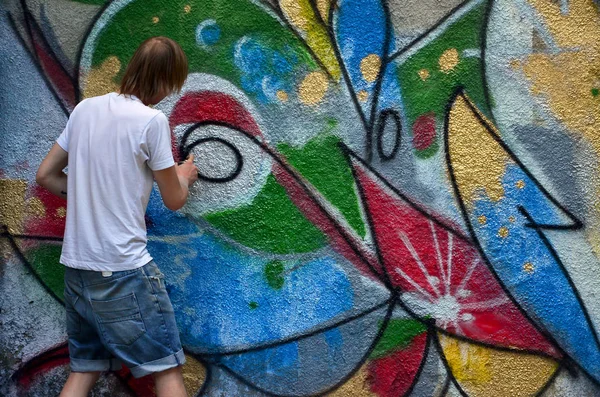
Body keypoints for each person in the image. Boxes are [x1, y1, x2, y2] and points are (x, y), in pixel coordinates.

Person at [35, 36, 197, 397]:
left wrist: (87, 194)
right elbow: (173, 199)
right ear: (167, 80)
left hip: (78, 269)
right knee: (166, 369)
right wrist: (184, 177)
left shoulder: (84, 110)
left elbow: (46, 174)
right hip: (122, 271)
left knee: (85, 370)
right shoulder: (152, 121)